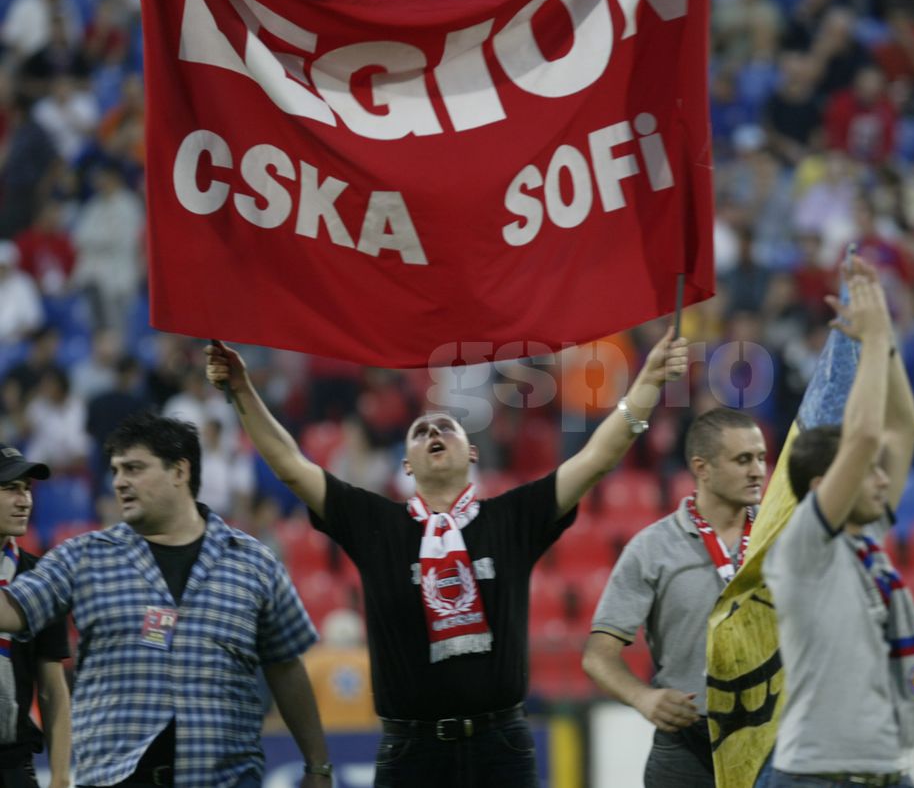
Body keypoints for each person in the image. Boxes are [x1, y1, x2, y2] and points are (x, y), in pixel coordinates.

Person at [205, 327, 689, 788]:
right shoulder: (375, 524)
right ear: (405, 463)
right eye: (421, 432)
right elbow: (291, 466)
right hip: (410, 752)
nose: (433, 432)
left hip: (502, 747)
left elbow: (598, 458)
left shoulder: (511, 518)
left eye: (446, 428)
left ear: (472, 452)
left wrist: (646, 382)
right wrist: (243, 391)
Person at [0, 414, 332, 788]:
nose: (120, 482)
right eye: (115, 470)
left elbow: (286, 668)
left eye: (134, 468)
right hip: (116, 780)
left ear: (179, 471)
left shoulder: (254, 562)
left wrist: (317, 765)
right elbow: (10, 610)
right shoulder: (82, 557)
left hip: (225, 779)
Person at [763, 260, 914, 787]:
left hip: (886, 771)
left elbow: (901, 427)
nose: (881, 481)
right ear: (828, 485)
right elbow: (867, 436)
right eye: (865, 474)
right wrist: (870, 342)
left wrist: (886, 339)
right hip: (818, 776)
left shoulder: (863, 540)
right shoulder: (804, 544)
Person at [583, 408, 767, 786]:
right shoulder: (651, 548)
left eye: (761, 457)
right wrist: (643, 698)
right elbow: (598, 656)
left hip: (772, 739)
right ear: (702, 468)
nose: (758, 471)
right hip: (687, 746)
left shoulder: (783, 534)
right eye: (743, 459)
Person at [0, 445, 69, 788]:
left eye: (26, 489)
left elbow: (52, 689)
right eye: (10, 488)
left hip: (13, 765)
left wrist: (59, 775)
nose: (24, 500)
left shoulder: (40, 578)